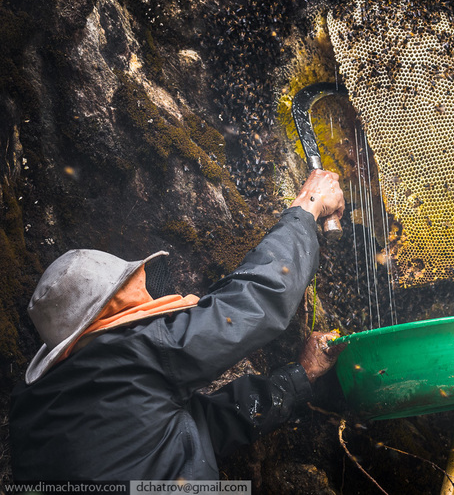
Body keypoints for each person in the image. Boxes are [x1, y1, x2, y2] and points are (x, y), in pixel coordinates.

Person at [10, 170, 346, 481]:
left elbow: (196, 433)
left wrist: (300, 376)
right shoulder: (132, 358)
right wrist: (307, 206)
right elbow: (256, 301)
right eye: (132, 288)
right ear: (107, 312)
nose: (146, 291)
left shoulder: (35, 417)